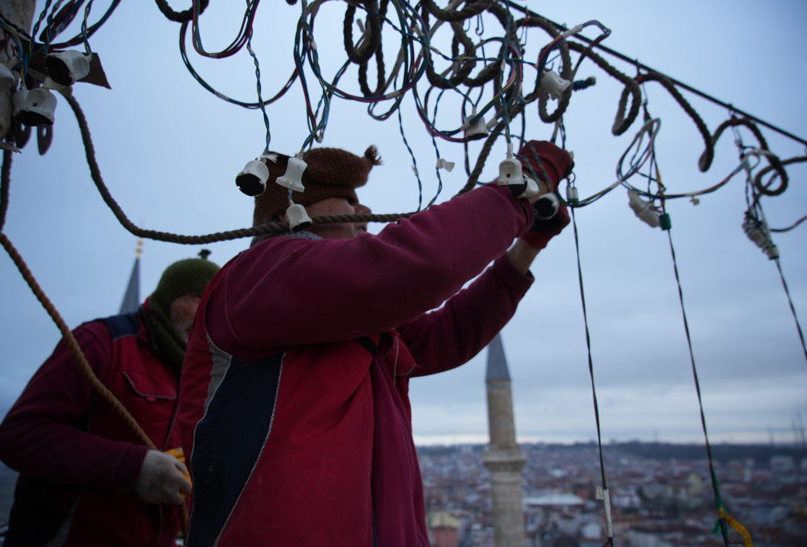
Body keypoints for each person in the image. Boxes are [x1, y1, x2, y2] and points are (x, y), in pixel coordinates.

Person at [177, 141, 574, 546]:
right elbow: (419, 264)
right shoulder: (258, 275)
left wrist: (527, 246)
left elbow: (445, 336)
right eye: (347, 201)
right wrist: (521, 186)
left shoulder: (339, 315)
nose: (365, 212)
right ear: (290, 214)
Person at [0, 255, 220, 546]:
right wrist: (133, 466)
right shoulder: (100, 342)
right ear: (169, 298)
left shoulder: (194, 372)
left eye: (212, 303)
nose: (204, 314)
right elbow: (18, 437)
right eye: (197, 297)